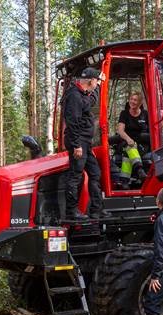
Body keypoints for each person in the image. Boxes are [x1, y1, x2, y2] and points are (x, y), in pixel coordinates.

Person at [62, 67, 111, 221]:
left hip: (85, 143)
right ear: (91, 81)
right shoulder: (74, 96)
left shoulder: (83, 94)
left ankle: (96, 209)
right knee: (75, 176)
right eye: (96, 81)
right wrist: (77, 145)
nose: (97, 84)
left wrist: (102, 81)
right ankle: (72, 211)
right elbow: (72, 122)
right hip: (78, 142)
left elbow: (92, 99)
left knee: (95, 173)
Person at [115, 92, 149, 189]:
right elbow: (120, 130)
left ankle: (124, 180)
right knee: (129, 146)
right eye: (131, 99)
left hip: (141, 143)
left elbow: (153, 129)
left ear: (140, 103)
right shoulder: (124, 113)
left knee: (128, 152)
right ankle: (140, 170)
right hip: (126, 140)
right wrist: (128, 139)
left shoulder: (145, 114)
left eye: (135, 100)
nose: (132, 102)